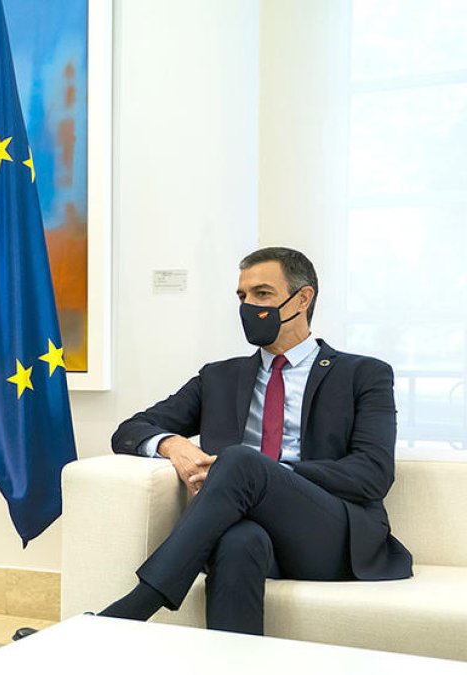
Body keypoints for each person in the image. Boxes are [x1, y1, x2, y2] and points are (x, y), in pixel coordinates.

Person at [100, 247, 412, 634]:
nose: (249, 306)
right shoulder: (218, 378)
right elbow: (130, 430)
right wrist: (171, 444)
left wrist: (271, 474)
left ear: (303, 298)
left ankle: (130, 612)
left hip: (330, 533)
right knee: (237, 541)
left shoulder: (363, 374)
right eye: (242, 297)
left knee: (240, 461)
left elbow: (373, 474)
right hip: (254, 532)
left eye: (262, 294)